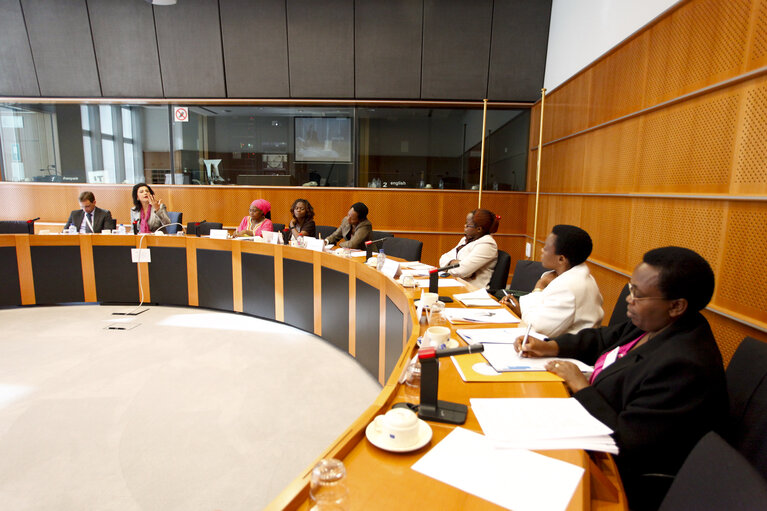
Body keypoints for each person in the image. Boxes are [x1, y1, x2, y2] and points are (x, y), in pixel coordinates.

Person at [514, 247, 727, 510]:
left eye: (638, 294)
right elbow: (603, 338)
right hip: (590, 428)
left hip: (623, 475)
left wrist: (580, 385)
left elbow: (627, 440)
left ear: (676, 306)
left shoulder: (684, 365)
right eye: (630, 288)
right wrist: (551, 346)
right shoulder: (654, 323)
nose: (629, 299)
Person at [501, 225, 603, 337]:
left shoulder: (569, 286)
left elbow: (537, 328)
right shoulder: (575, 275)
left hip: (566, 352)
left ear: (561, 259)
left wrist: (539, 286)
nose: (542, 250)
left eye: (546, 248)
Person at [438, 209, 499, 289]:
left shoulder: (487, 244)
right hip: (456, 284)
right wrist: (456, 263)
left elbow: (461, 271)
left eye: (467, 225)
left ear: (479, 229)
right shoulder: (465, 240)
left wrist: (448, 267)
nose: (464, 227)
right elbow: (443, 258)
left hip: (472, 290)